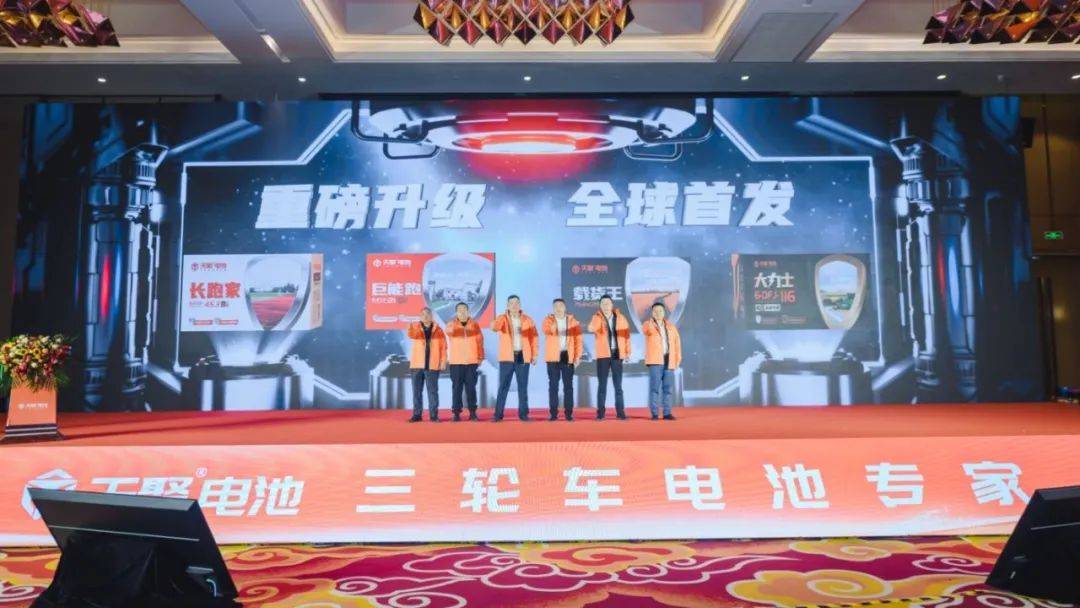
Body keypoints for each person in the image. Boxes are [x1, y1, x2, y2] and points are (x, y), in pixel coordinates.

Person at [490, 295, 538, 422]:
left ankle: (523, 414)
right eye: (511, 303)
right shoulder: (502, 318)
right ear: (507, 306)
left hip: (522, 355)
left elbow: (534, 338)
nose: (514, 306)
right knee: (503, 386)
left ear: (520, 305)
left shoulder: (528, 320)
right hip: (507, 357)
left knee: (522, 386)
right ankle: (498, 415)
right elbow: (494, 328)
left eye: (517, 303)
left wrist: (534, 354)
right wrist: (496, 321)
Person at [587, 294, 631, 420]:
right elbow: (591, 328)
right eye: (603, 303)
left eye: (608, 303)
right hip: (603, 355)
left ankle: (620, 412)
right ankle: (600, 413)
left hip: (617, 354)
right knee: (602, 385)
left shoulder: (621, 318)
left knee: (618, 386)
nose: (605, 305)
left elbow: (627, 336)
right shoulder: (596, 317)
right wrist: (595, 324)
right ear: (600, 306)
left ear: (612, 305)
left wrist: (627, 352)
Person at [542, 298, 582, 421]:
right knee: (553, 386)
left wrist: (577, 356)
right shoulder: (548, 320)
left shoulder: (573, 322)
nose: (558, 308)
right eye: (556, 306)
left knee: (568, 387)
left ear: (565, 308)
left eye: (560, 306)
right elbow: (546, 330)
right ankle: (553, 414)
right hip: (553, 358)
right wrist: (553, 325)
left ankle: (569, 414)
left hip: (567, 356)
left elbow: (578, 341)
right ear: (553, 308)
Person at [405, 307, 447, 422]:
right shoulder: (416, 328)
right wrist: (409, 328)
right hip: (417, 365)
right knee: (417, 392)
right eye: (423, 314)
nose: (425, 316)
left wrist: (443, 361)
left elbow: (443, 347)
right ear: (420, 317)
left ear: (431, 316)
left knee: (433, 392)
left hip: (432, 365)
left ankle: (434, 415)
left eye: (427, 314)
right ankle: (417, 415)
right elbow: (412, 335)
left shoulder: (439, 330)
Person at [642, 301, 682, 420]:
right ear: (652, 313)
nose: (658, 313)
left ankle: (667, 413)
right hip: (655, 361)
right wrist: (652, 321)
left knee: (668, 389)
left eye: (660, 311)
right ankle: (654, 413)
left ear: (664, 312)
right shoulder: (648, 325)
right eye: (655, 311)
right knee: (654, 389)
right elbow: (646, 330)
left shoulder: (671, 327)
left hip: (669, 360)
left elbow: (677, 344)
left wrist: (677, 359)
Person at [445, 302, 484, 422]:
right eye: (459, 309)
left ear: (468, 311)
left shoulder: (475, 325)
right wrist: (459, 327)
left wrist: (480, 357)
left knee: (471, 388)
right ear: (456, 312)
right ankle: (456, 413)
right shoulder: (451, 324)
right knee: (457, 388)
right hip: (456, 362)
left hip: (471, 361)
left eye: (464, 309)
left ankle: (472, 412)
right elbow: (449, 332)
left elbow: (480, 342)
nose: (462, 311)